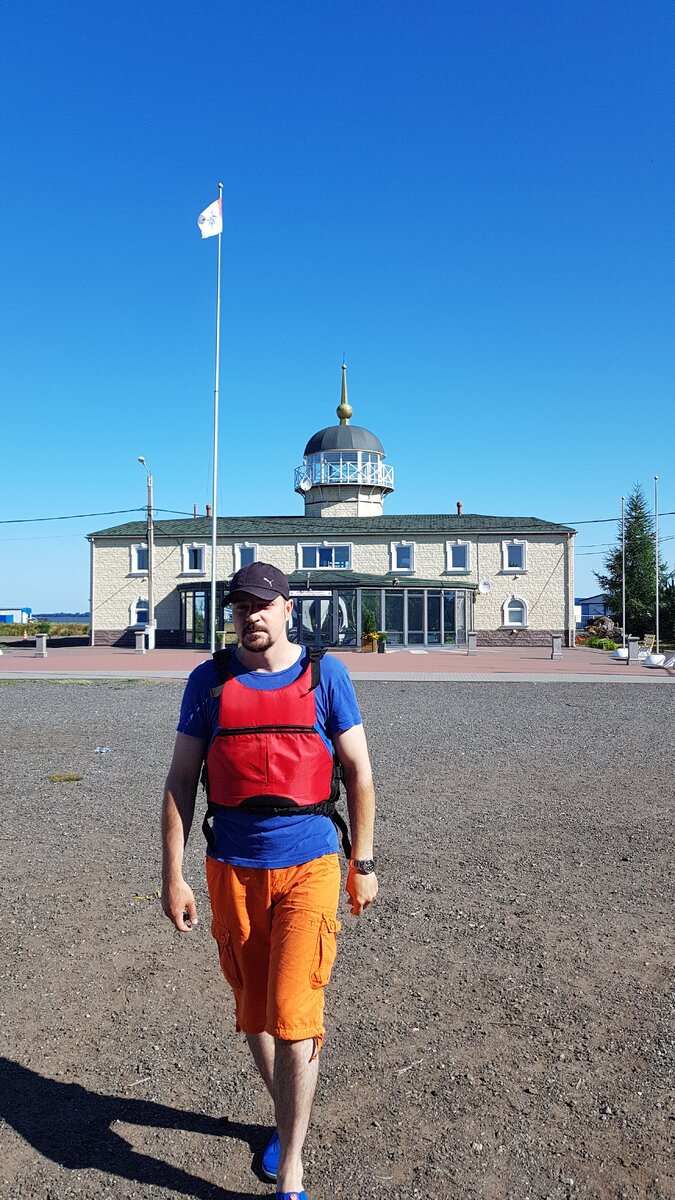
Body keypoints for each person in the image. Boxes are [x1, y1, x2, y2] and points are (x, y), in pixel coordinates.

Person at [161, 562, 378, 1200]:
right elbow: (180, 780)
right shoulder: (208, 681)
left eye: (262, 604)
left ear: (287, 608)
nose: (250, 615)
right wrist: (172, 876)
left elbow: (359, 773)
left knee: (293, 1012)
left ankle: (290, 1173)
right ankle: (287, 1116)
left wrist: (363, 863)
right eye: (239, 606)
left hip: (311, 863)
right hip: (232, 867)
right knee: (254, 1009)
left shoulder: (326, 675)